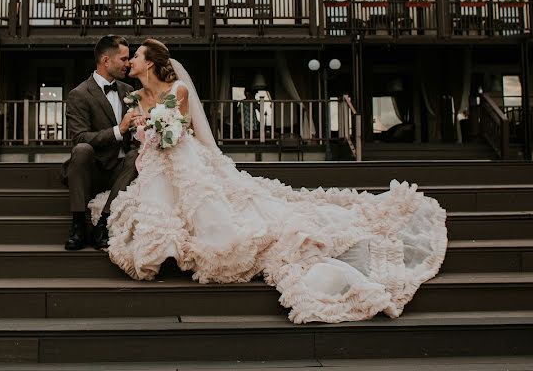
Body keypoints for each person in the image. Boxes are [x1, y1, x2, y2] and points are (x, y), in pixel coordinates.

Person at [87, 38, 447, 324]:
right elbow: (137, 128)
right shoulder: (132, 95)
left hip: (182, 155)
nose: (129, 60)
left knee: (209, 204)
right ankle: (163, 251)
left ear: (149, 62)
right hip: (153, 162)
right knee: (155, 208)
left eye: (135, 56)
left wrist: (164, 129)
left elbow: (183, 127)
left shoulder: (177, 89)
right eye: (127, 57)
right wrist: (142, 128)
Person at [61, 35, 141, 251]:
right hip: (92, 169)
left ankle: (104, 223)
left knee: (138, 156)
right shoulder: (79, 94)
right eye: (124, 59)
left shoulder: (129, 92)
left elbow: (133, 135)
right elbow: (79, 137)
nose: (128, 63)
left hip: (119, 169)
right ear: (106, 60)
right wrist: (118, 130)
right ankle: (78, 223)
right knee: (81, 148)